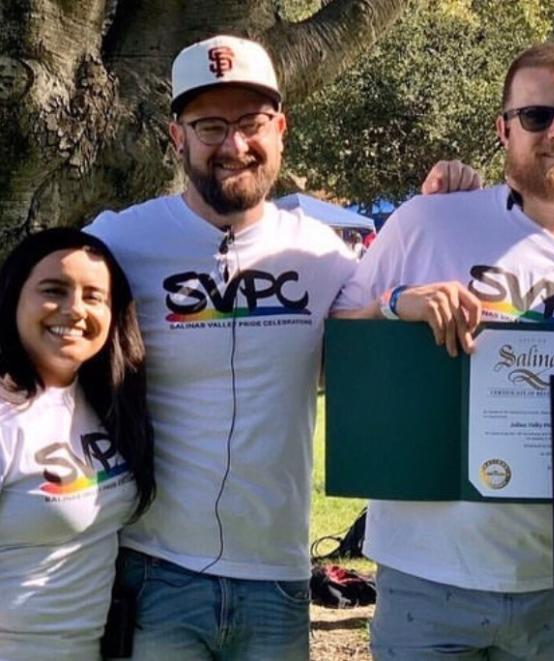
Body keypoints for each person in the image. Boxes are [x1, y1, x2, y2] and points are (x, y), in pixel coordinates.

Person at [333, 43, 554, 659]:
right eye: (536, 116)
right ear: (503, 130)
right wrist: (394, 306)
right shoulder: (427, 222)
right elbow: (337, 350)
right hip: (427, 580)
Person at [85, 35, 359, 659]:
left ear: (281, 129)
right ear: (177, 136)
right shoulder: (118, 242)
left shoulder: (324, 255)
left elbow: (400, 307)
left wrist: (453, 203)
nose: (234, 145)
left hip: (278, 578)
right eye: (210, 125)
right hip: (154, 569)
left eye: (251, 122)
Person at [0, 228, 154, 660]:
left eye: (94, 296)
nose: (75, 309)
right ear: (14, 296)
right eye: (54, 290)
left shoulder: (103, 401)